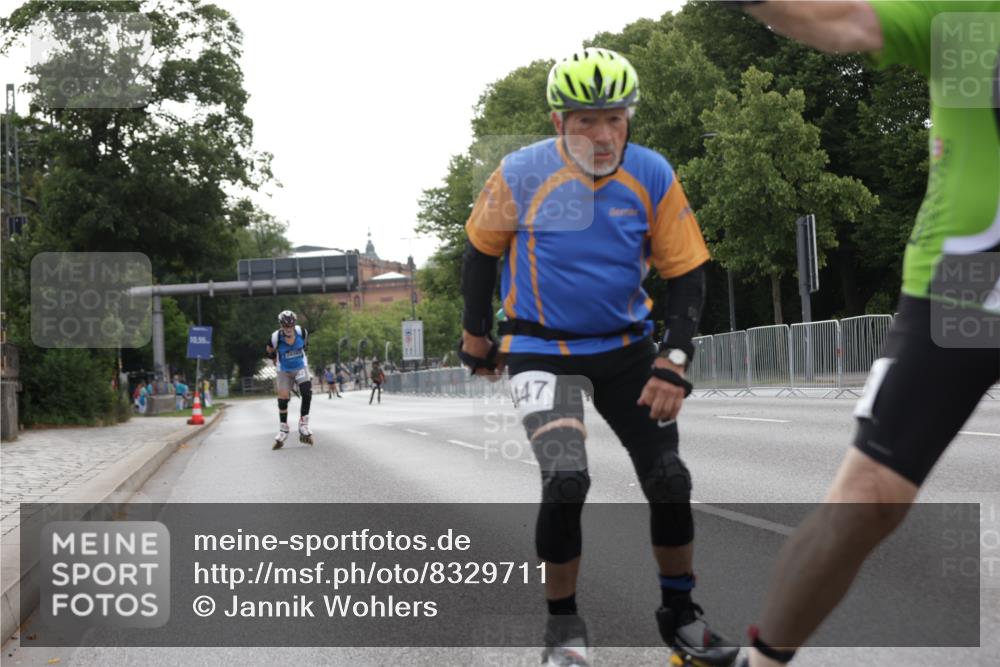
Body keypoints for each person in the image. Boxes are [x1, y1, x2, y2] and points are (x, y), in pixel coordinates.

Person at [717, 2, 1000, 665]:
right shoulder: (970, 14)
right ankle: (763, 660)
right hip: (970, 277)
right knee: (870, 498)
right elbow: (842, 19)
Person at [458, 47, 738, 667]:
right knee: (566, 480)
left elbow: (688, 273)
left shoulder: (652, 174)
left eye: (616, 118)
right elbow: (479, 255)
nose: (604, 134)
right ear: (560, 122)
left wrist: (675, 359)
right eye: (587, 120)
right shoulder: (520, 173)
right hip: (538, 349)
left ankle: (682, 616)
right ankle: (563, 629)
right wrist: (477, 335)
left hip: (626, 348)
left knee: (669, 479)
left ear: (630, 118)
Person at [265, 310, 314, 448]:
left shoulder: (302, 333)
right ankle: (283, 428)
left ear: (294, 324)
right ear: (281, 325)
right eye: (285, 326)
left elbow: (305, 347)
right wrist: (274, 358)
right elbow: (268, 350)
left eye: (290, 326)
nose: (288, 329)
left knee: (306, 392)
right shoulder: (275, 337)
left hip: (300, 367)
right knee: (283, 399)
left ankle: (303, 424)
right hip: (284, 370)